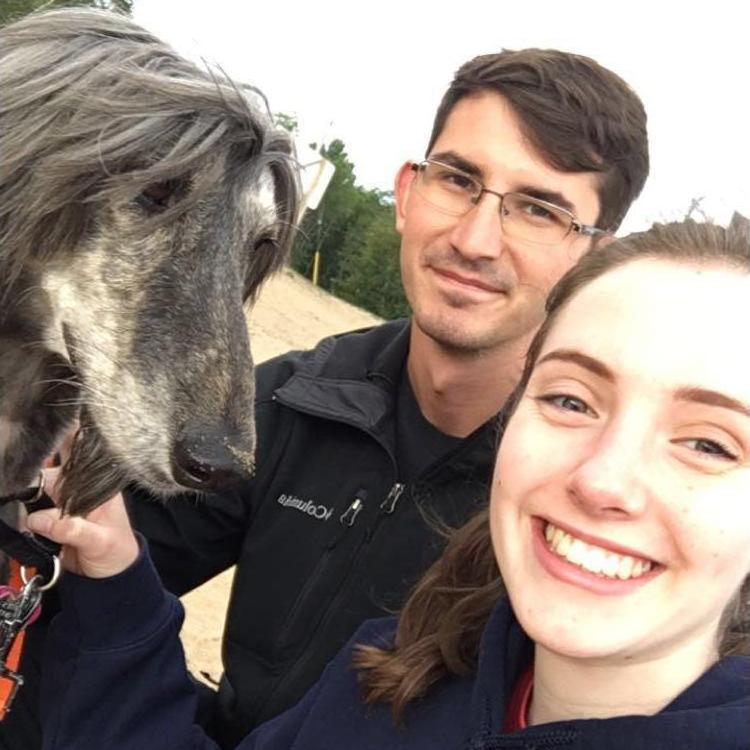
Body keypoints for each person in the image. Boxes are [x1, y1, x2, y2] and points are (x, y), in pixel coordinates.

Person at [5, 13, 649, 750]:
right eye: (459, 180)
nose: (475, 239)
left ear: (598, 258)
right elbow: (76, 579)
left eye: (540, 209)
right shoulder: (296, 401)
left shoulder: (585, 502)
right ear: (409, 192)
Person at [33, 218, 750, 749]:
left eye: (710, 443)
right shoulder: (391, 682)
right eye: (570, 399)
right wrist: (114, 575)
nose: (602, 479)